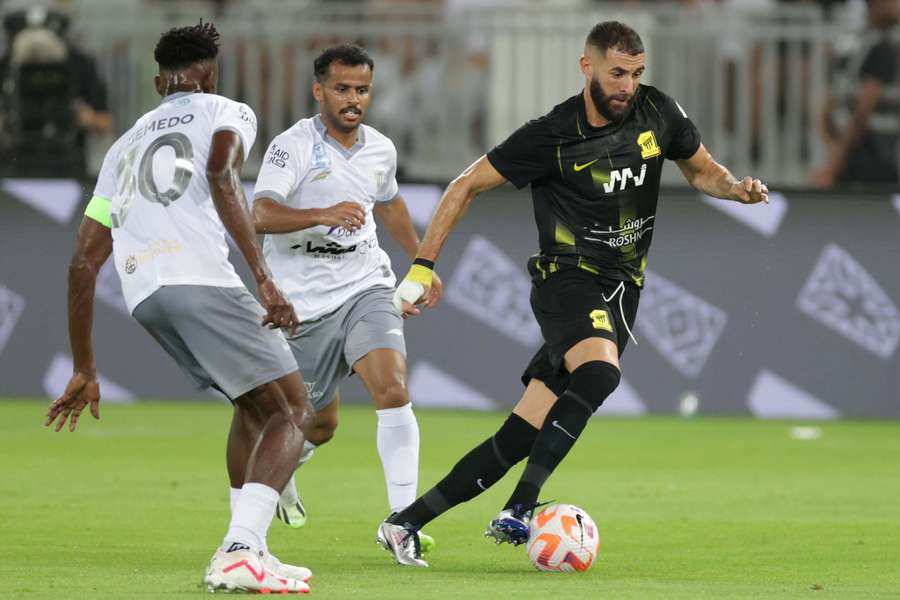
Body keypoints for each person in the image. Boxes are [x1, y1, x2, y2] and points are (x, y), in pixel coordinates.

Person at [378, 21, 768, 568]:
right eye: (617, 73)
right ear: (587, 67)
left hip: (623, 290)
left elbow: (703, 171)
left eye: (636, 73)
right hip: (566, 277)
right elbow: (464, 184)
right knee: (601, 374)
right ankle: (520, 506)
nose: (628, 86)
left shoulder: (659, 113)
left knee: (520, 433)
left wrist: (737, 188)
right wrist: (422, 263)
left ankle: (404, 524)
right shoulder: (552, 134)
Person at [44, 22, 316, 594]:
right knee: (293, 411)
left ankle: (250, 547)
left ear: (157, 81)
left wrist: (84, 366)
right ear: (210, 74)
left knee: (253, 405)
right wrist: (264, 279)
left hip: (145, 294)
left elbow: (82, 263)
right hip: (202, 281)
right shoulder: (228, 110)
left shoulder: (123, 145)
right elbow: (222, 172)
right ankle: (240, 551)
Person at [251, 43, 442, 547]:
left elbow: (391, 202)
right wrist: (322, 213)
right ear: (319, 91)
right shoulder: (290, 147)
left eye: (361, 89)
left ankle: (403, 523)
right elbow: (259, 214)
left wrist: (423, 260)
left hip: (365, 286)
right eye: (342, 89)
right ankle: (288, 470)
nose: (353, 98)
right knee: (318, 426)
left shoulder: (380, 149)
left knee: (393, 389)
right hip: (301, 305)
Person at [812, 0, 900, 188]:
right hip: (873, 160)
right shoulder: (883, 47)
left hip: (852, 155)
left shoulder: (855, 44)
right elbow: (862, 113)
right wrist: (833, 165)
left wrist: (833, 154)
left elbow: (830, 105)